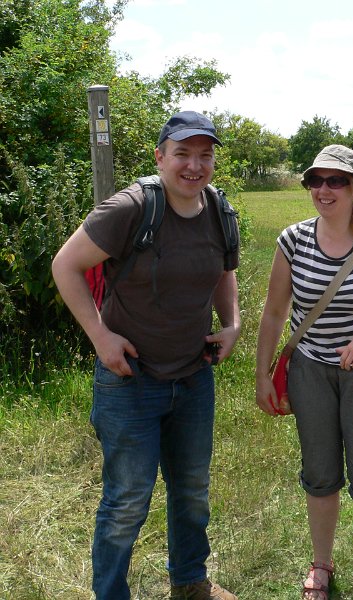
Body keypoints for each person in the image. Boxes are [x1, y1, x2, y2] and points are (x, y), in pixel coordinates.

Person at [51, 111, 240, 600]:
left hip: (194, 377)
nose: (194, 165)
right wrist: (100, 337)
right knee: (128, 501)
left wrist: (233, 323)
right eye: (182, 154)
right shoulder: (130, 208)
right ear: (160, 157)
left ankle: (190, 582)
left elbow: (224, 271)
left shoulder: (220, 210)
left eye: (205, 155)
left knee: (192, 490)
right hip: (130, 379)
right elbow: (66, 265)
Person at [255, 145, 353, 600]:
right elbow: (274, 313)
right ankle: (321, 565)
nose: (323, 190)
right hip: (309, 372)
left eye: (336, 181)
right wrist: (262, 375)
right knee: (319, 472)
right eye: (316, 180)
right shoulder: (293, 241)